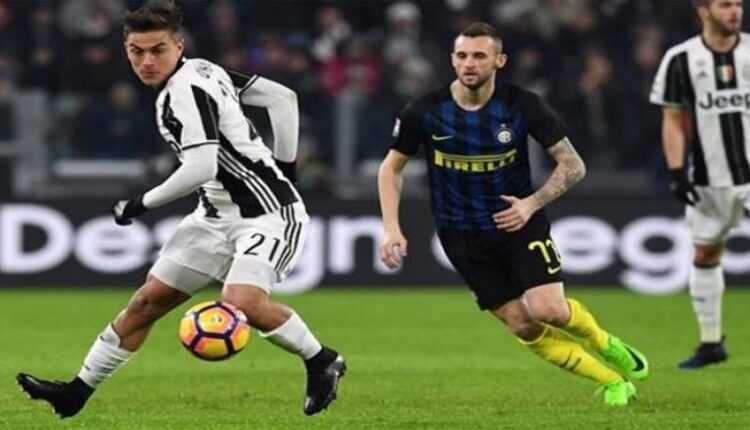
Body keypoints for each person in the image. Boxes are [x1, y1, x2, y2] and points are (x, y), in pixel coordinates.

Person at [17, 0, 346, 418]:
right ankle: (74, 393)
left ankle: (322, 361)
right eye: (137, 51)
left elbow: (201, 167)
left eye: (158, 50)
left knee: (242, 300)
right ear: (125, 50)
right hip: (215, 215)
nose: (147, 61)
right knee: (146, 303)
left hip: (267, 213)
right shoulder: (204, 70)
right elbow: (282, 99)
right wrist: (286, 167)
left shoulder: (184, 92)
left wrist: (139, 204)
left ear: (178, 46)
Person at [377, 22, 649, 406]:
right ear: (452, 59)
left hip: (518, 222)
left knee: (550, 311)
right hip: (461, 235)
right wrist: (392, 229)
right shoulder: (424, 111)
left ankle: (602, 341)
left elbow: (573, 165)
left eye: (479, 56)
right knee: (523, 324)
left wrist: (531, 203)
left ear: (499, 60)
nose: (469, 63)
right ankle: (611, 382)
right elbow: (391, 169)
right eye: (462, 56)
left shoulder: (522, 105)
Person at [650, 0, 745, 369]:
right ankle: (711, 343)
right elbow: (672, 118)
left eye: (738, 4)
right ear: (704, 10)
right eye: (725, 4)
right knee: (706, 254)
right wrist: (677, 171)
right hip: (709, 177)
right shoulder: (680, 59)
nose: (735, 11)